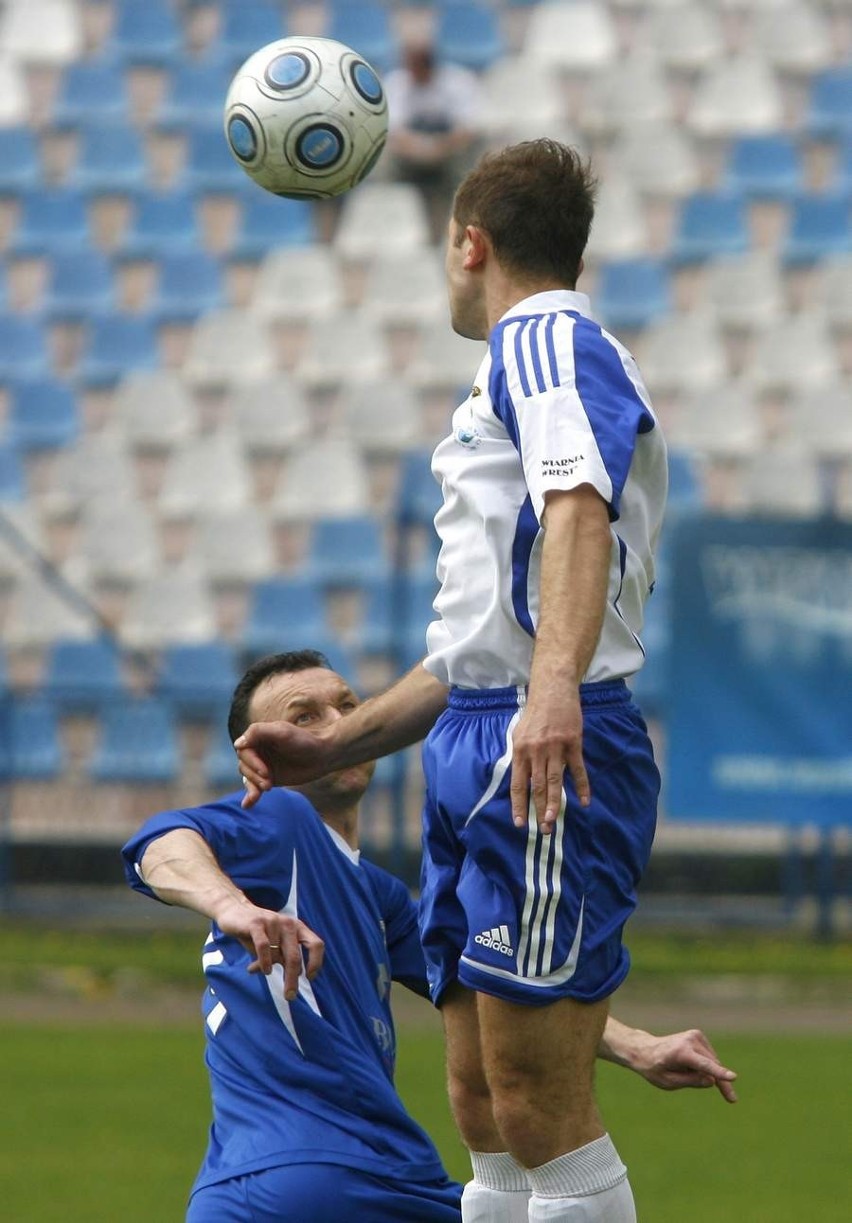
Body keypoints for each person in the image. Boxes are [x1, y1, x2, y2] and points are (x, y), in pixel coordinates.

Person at [236, 141, 671, 1222]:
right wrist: (337, 744)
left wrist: (554, 687)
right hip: (485, 730)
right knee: (479, 1101)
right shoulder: (519, 363)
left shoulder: (547, 342)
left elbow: (579, 504)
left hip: (544, 743)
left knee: (538, 1104)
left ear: (468, 243)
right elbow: (473, 650)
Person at [130, 651, 737, 1222]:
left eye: (347, 705)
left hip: (232, 1194)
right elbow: (162, 840)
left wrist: (636, 1047)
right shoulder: (278, 820)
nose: (336, 724)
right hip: (346, 1177)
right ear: (259, 753)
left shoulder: (374, 894)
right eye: (304, 717)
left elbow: (496, 991)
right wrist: (231, 906)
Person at [384, 38, 484, 241]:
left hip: (449, 156)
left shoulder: (458, 81)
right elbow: (394, 131)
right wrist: (421, 149)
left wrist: (438, 148)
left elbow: (468, 129)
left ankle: (459, 227)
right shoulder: (397, 83)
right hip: (409, 159)